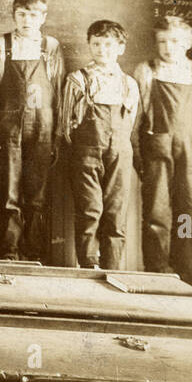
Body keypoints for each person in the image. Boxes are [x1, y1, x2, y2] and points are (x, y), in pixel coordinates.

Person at [132, 16, 192, 282]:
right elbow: (138, 115)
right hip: (157, 147)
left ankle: (182, 271)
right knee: (156, 211)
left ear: (188, 43)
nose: (168, 47)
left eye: (174, 41)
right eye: (162, 41)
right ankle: (157, 271)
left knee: (187, 210)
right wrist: (137, 153)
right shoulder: (146, 70)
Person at [0, 0, 65, 262]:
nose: (27, 20)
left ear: (43, 17)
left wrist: (56, 135)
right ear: (13, 15)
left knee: (37, 194)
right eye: (21, 14)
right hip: (8, 127)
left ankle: (33, 253)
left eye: (33, 15)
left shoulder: (51, 46)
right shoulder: (1, 44)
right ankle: (9, 251)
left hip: (43, 128)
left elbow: (57, 91)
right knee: (9, 191)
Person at [59, 20, 139, 270]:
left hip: (120, 153)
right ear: (89, 45)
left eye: (108, 44)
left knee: (116, 211)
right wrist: (83, 147)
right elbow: (65, 123)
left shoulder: (129, 84)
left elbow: (131, 120)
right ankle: (89, 263)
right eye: (96, 44)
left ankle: (113, 266)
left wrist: (117, 144)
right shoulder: (78, 79)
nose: (101, 50)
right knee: (90, 209)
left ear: (120, 48)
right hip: (86, 153)